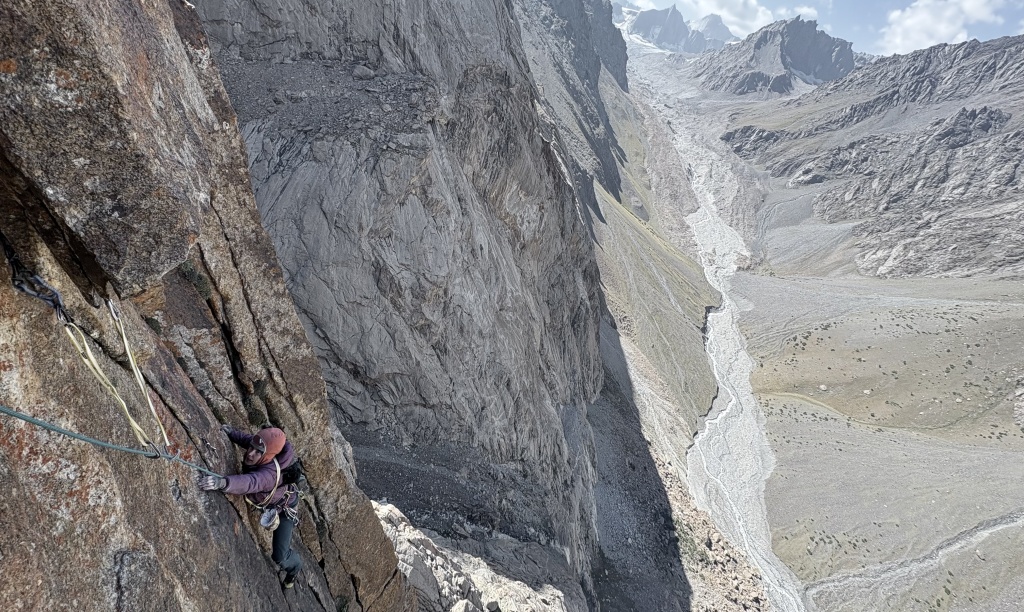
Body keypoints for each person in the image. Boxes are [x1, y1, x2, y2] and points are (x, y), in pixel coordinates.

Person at [198, 425, 303, 588]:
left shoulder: (269, 475)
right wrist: (232, 433)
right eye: (251, 448)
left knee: (280, 557)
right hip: (276, 499)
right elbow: (250, 441)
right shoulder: (266, 448)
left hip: (285, 509)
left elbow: (251, 482)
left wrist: (223, 482)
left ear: (268, 455)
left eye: (257, 452)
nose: (250, 454)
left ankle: (294, 569)